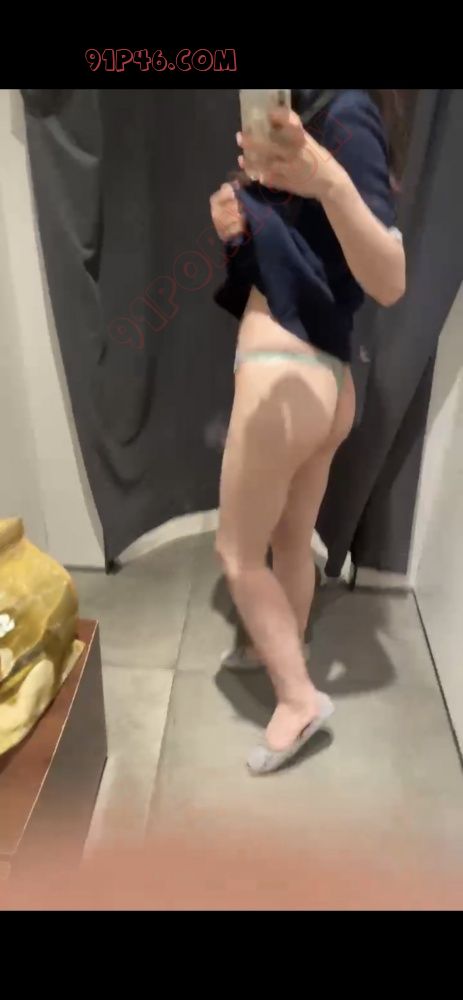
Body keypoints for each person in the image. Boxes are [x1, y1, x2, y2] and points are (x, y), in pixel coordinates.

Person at [209, 89, 406, 774]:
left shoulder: (343, 113)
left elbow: (390, 278)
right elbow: (297, 268)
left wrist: (327, 178)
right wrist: (238, 234)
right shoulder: (308, 120)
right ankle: (281, 651)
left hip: (285, 375)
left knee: (237, 553)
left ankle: (297, 700)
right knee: (291, 539)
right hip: (318, 379)